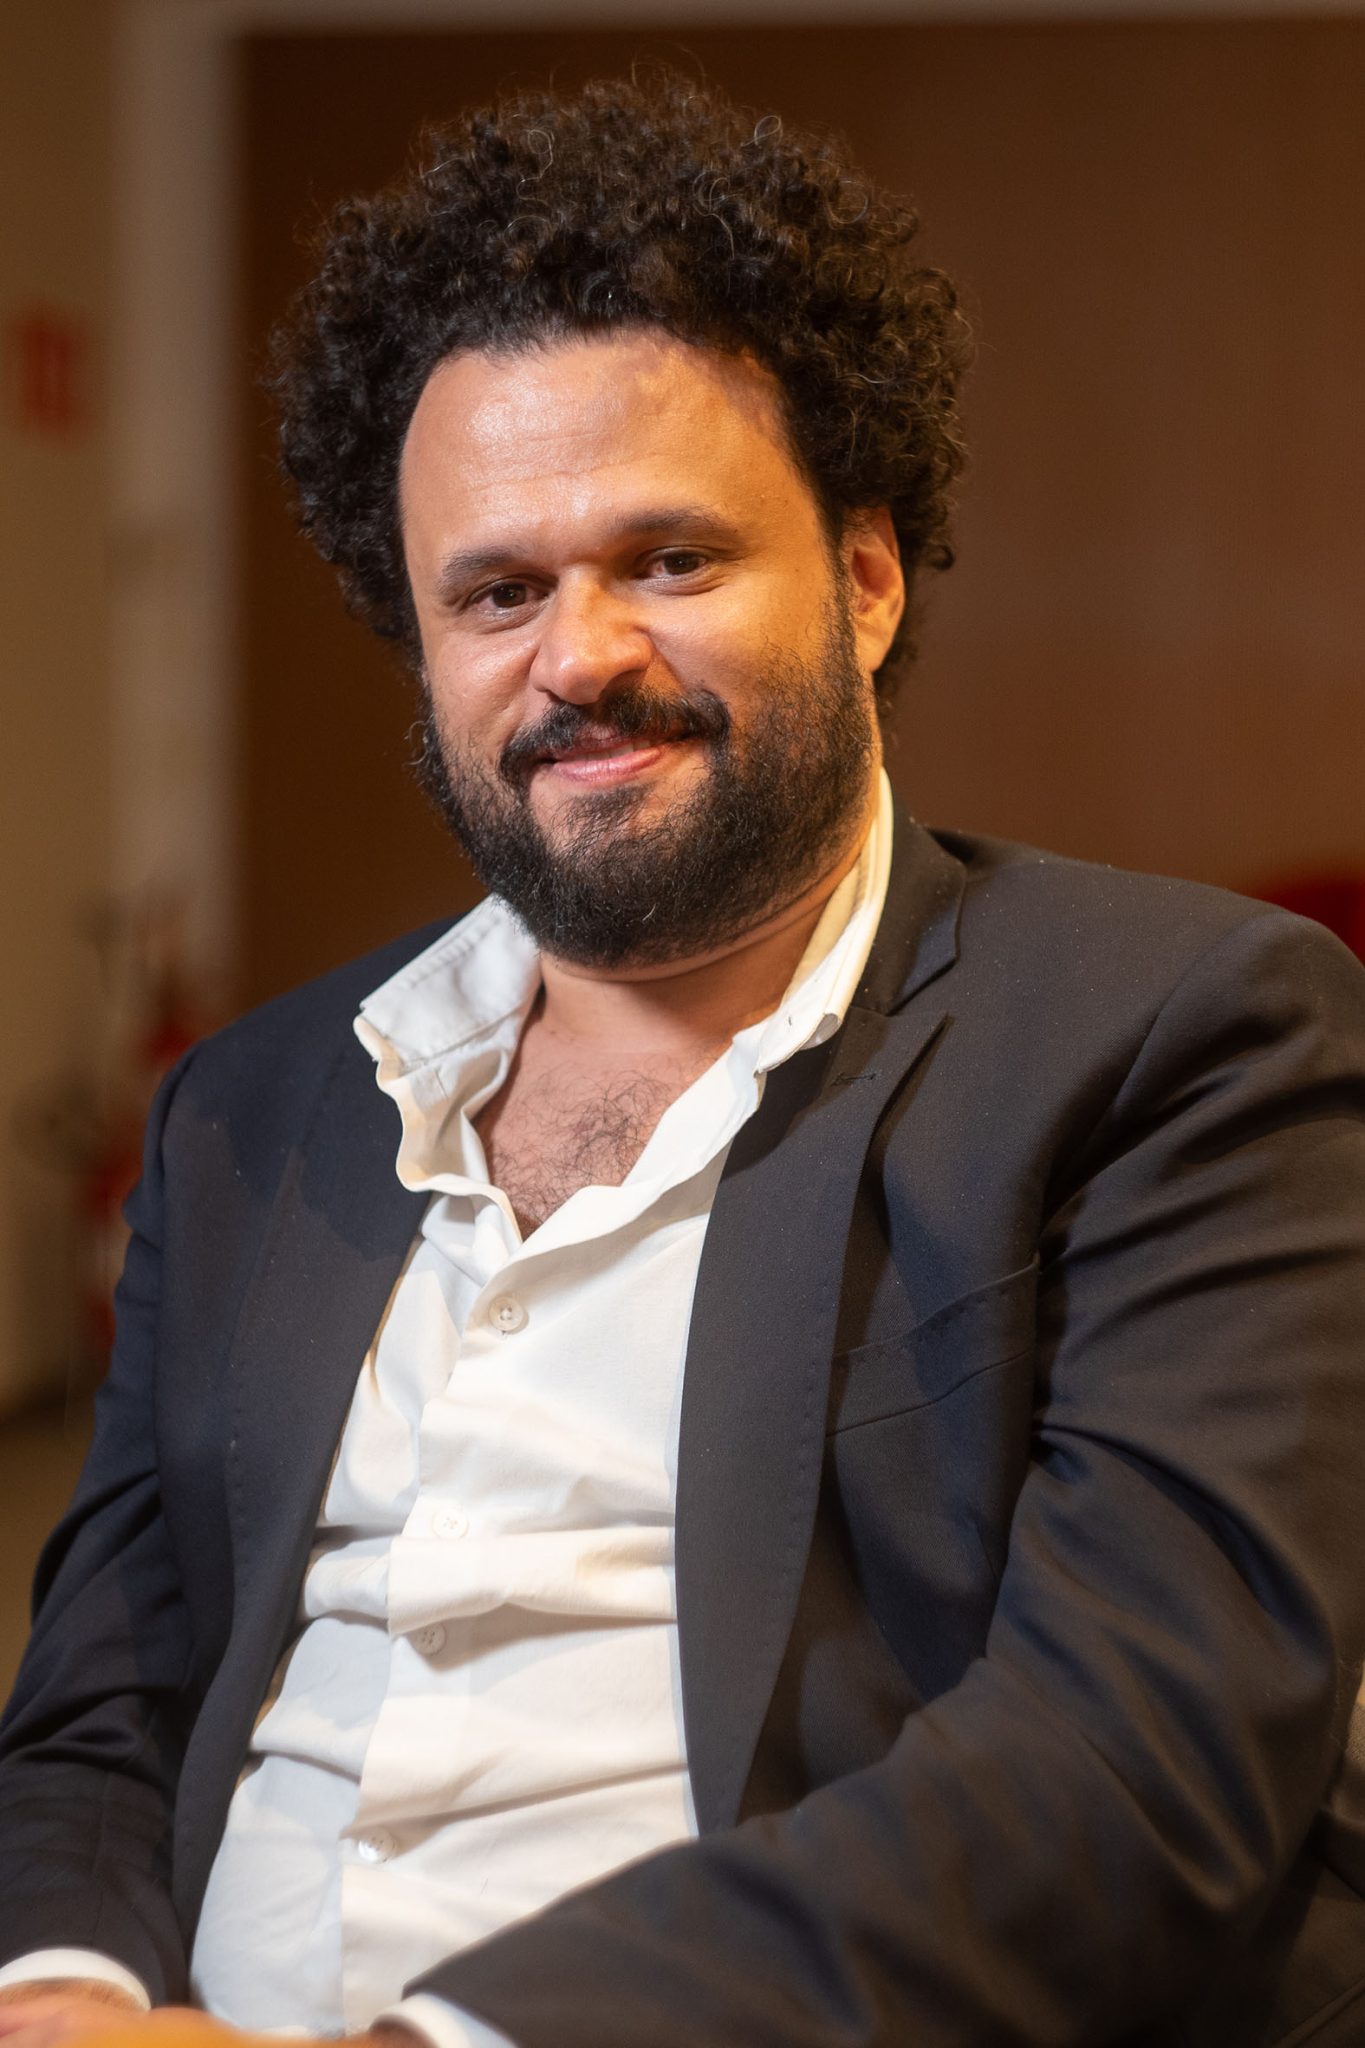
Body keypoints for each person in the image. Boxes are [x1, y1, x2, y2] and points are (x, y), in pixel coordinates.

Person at [1, 69, 1363, 2048]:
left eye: (666, 560)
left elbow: (1135, 1767)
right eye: (496, 592)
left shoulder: (1179, 1035)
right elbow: (98, 1708)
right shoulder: (253, 1109)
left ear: (867, 579)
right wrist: (60, 1995)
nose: (577, 656)